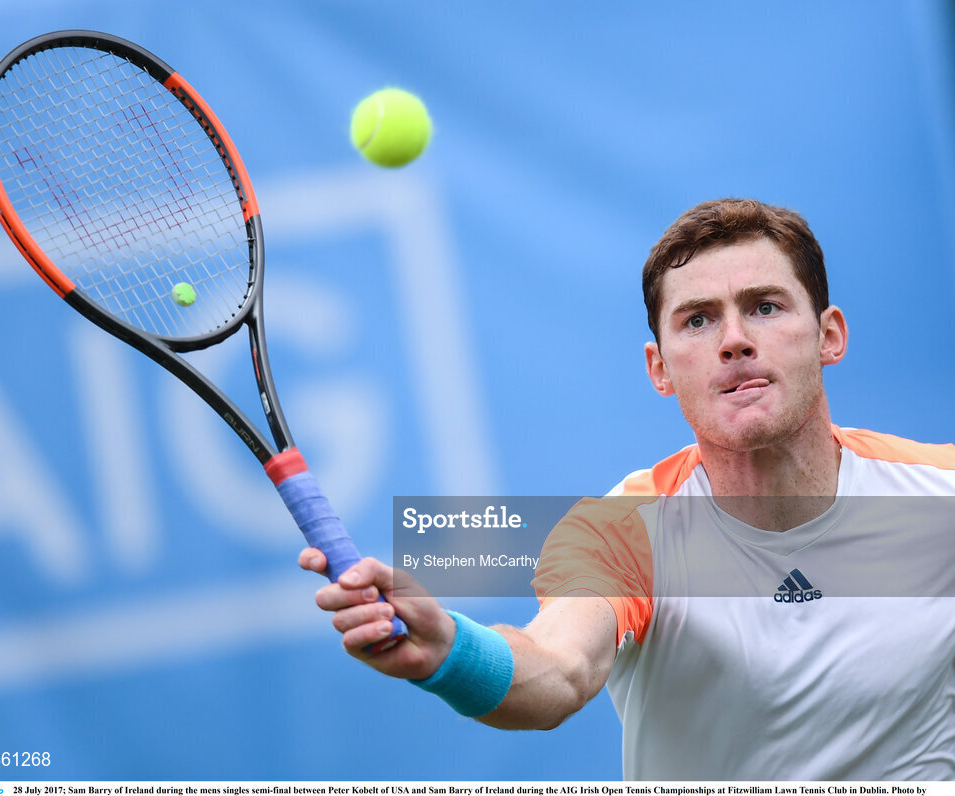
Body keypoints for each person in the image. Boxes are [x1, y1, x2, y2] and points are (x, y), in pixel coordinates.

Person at [299, 199, 955, 780]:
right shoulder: (626, 531)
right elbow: (558, 671)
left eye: (764, 306)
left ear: (829, 335)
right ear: (660, 369)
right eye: (698, 320)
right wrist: (451, 651)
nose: (734, 340)